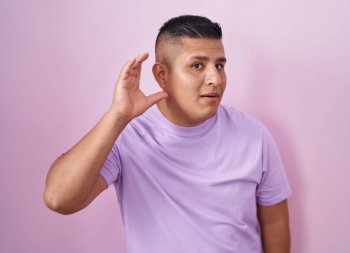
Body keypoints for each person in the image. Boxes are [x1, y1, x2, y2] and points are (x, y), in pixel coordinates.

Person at [44, 15, 292, 253]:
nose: (215, 79)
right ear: (163, 75)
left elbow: (274, 222)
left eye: (219, 65)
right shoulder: (128, 136)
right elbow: (59, 199)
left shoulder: (254, 134)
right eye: (198, 65)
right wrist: (117, 116)